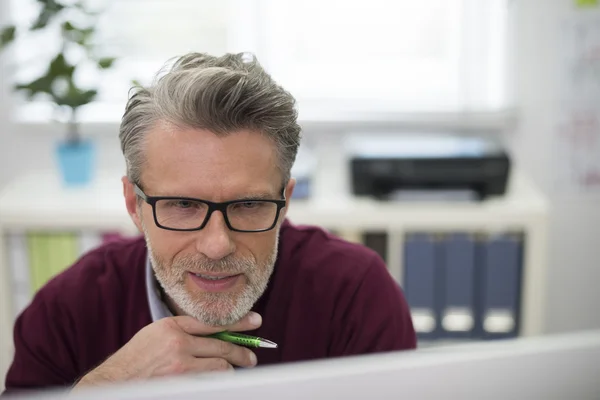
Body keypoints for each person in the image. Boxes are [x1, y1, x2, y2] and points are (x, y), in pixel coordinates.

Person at [3, 52, 416, 396]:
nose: (217, 245)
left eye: (248, 205)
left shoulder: (356, 295)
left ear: (285, 201)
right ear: (134, 204)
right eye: (182, 205)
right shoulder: (65, 309)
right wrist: (107, 386)